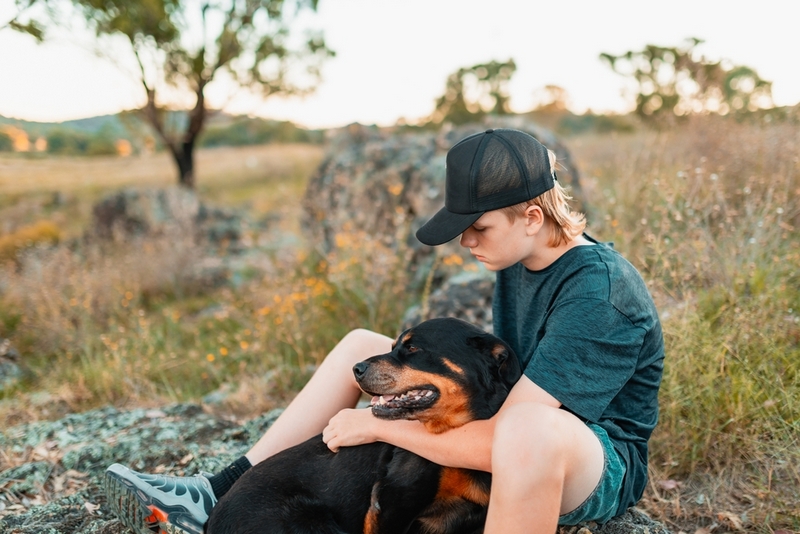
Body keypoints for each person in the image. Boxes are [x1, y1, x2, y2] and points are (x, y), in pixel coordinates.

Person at [105, 128, 664, 534]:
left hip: (593, 458)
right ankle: (218, 491)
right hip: (524, 420)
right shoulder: (516, 258)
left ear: (532, 217)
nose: (465, 242)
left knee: (529, 433)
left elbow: (510, 434)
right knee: (363, 345)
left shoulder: (600, 294)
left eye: (478, 227)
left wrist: (377, 426)